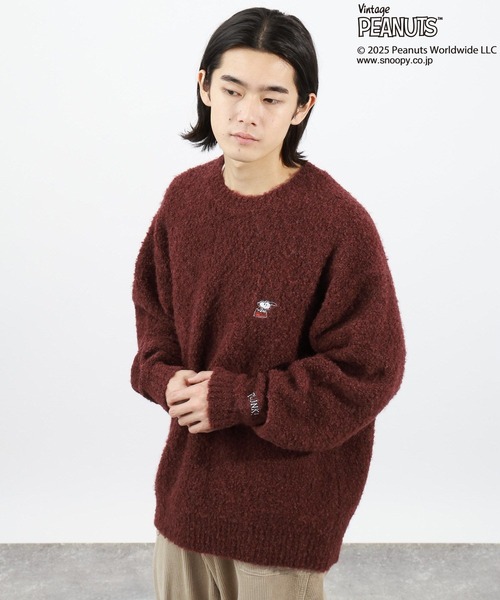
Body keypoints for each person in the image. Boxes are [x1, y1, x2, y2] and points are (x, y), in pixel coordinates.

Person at [131, 7, 406, 600]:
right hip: (183, 508)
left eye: (272, 97)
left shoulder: (337, 224)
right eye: (232, 89)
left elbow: (368, 371)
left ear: (302, 107)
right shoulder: (183, 200)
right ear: (205, 86)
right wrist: (161, 379)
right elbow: (154, 324)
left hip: (282, 524)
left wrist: (242, 398)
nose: (246, 113)